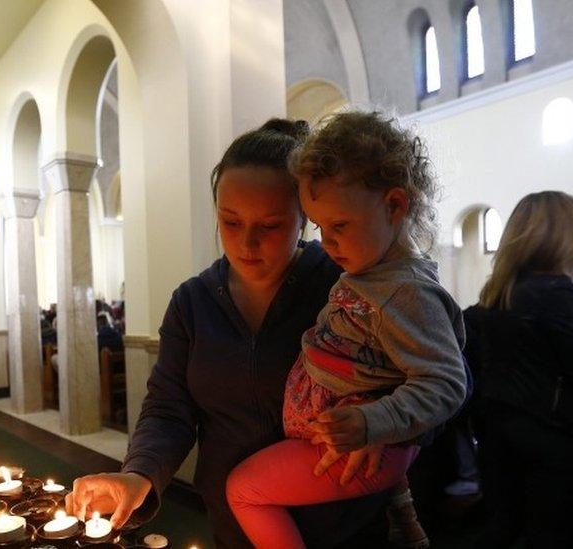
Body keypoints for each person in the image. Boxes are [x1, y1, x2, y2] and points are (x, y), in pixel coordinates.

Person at [66, 119, 390, 547]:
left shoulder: (347, 287)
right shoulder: (193, 302)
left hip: (344, 526)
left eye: (270, 226)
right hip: (237, 528)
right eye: (230, 222)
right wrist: (138, 472)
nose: (246, 244)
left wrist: (389, 423)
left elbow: (433, 376)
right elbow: (169, 407)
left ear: (306, 220)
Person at [224, 111, 467, 549]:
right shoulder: (368, 269)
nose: (327, 242)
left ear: (395, 205)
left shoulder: (405, 291)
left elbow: (446, 383)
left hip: (346, 444)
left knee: (244, 491)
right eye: (319, 226)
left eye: (339, 226)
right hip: (346, 440)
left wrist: (375, 422)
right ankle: (405, 516)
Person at [462, 191, 573, 548]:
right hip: (551, 434)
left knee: (506, 524)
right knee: (563, 532)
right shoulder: (557, 290)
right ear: (561, 238)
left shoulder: (495, 293)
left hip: (497, 430)